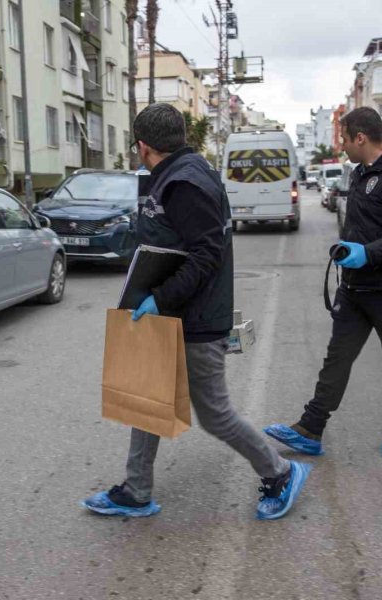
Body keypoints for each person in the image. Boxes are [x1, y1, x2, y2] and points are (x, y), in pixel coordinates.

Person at [82, 103, 311, 521]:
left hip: (196, 320)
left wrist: (162, 298)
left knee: (215, 415)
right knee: (148, 397)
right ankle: (135, 491)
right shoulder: (177, 173)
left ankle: (279, 472)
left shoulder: (185, 182)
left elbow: (206, 255)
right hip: (173, 315)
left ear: (142, 145)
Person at [264, 107, 382, 458]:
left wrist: (368, 253)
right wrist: (348, 249)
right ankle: (311, 429)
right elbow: (366, 224)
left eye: (344, 137)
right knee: (336, 359)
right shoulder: (360, 173)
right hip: (356, 288)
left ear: (360, 137)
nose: (341, 145)